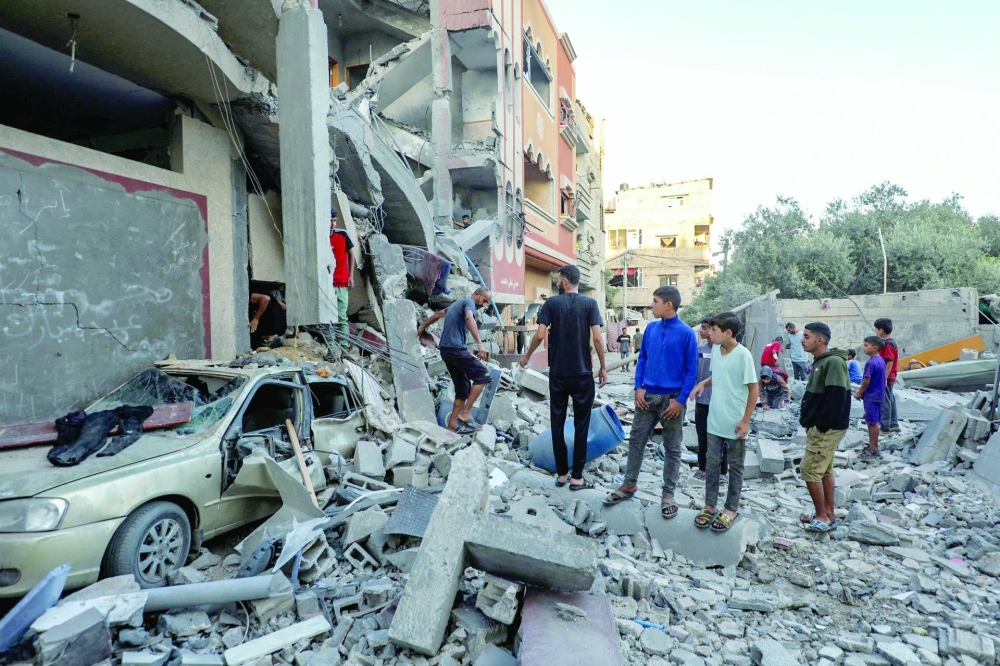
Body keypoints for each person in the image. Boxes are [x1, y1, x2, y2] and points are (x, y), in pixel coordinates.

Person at [603, 287, 698, 519]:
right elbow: (643, 359)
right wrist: (638, 387)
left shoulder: (686, 334)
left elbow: (691, 371)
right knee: (636, 440)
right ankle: (629, 485)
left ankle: (668, 494)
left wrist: (681, 400)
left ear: (668, 305)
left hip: (672, 400)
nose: (651, 305)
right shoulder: (651, 329)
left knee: (672, 447)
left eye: (655, 302)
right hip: (647, 397)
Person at [520, 265, 606, 489]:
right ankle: (577, 476)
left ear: (565, 281)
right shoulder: (590, 304)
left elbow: (539, 335)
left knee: (557, 423)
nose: (557, 283)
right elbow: (597, 338)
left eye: (559, 280)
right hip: (582, 374)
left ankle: (561, 474)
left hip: (558, 374)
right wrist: (603, 367)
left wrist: (527, 357)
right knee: (581, 425)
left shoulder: (551, 304)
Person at [691, 312, 758, 532]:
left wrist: (746, 421)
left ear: (728, 332)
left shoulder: (743, 355)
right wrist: (704, 384)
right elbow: (717, 375)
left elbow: (753, 389)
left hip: (735, 421)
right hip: (715, 419)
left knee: (735, 466)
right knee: (711, 464)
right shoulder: (717, 352)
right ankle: (710, 505)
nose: (709, 333)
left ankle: (730, 509)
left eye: (714, 330)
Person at [798, 322, 851, 533]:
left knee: (809, 469)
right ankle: (829, 513)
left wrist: (821, 426)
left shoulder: (833, 363)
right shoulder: (821, 362)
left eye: (807, 336)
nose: (802, 340)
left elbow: (837, 399)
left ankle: (822, 517)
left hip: (826, 428)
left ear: (820, 340)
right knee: (824, 469)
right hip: (820, 426)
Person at [418, 288, 493, 433]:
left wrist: (422, 327)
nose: (484, 305)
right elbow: (469, 318)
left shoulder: (456, 304)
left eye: (487, 303)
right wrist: (479, 344)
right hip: (455, 349)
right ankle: (465, 413)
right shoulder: (468, 302)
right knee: (483, 376)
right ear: (476, 294)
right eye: (484, 300)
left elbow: (438, 314)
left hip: (446, 351)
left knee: (463, 389)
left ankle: (452, 424)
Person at [693, 317, 726, 482]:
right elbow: (694, 372)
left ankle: (722, 470)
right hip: (701, 401)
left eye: (705, 328)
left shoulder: (725, 351)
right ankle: (703, 468)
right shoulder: (699, 350)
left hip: (720, 402)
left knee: (722, 436)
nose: (702, 331)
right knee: (702, 436)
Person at [328, 210, 356, 352]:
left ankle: (344, 348)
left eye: (334, 220)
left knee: (342, 318)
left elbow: (352, 255)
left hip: (342, 282)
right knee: (329, 319)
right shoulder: (321, 237)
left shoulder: (342, 235)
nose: (332, 224)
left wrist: (350, 276)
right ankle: (331, 350)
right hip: (327, 284)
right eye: (330, 220)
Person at [855, 336, 887, 460]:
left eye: (866, 345)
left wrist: (859, 393)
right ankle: (872, 445)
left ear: (875, 348)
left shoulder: (871, 362)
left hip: (871, 396)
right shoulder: (881, 361)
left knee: (872, 423)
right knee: (874, 422)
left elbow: (866, 381)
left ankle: (873, 448)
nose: (864, 347)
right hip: (879, 395)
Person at [874, 318, 900, 433]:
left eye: (876, 329)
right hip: (891, 375)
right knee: (891, 399)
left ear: (881, 330)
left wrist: (884, 377)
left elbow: (889, 361)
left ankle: (885, 427)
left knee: (885, 400)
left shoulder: (887, 344)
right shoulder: (891, 342)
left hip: (887, 376)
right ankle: (894, 424)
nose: (875, 331)